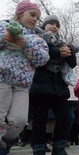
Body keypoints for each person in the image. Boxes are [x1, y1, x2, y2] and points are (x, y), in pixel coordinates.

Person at [0, 0, 49, 154]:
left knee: (20, 120)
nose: (35, 19)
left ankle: (7, 142)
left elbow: (42, 59)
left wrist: (25, 44)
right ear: (20, 13)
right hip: (2, 79)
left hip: (22, 85)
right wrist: (3, 39)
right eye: (32, 15)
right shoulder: (3, 26)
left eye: (37, 17)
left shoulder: (37, 39)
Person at [29, 14, 77, 155]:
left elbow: (72, 63)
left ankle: (59, 146)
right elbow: (36, 52)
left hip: (59, 87)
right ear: (43, 25)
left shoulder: (64, 43)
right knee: (40, 119)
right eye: (51, 23)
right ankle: (38, 146)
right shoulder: (36, 37)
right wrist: (58, 52)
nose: (54, 26)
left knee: (66, 117)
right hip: (40, 85)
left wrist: (69, 52)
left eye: (57, 24)